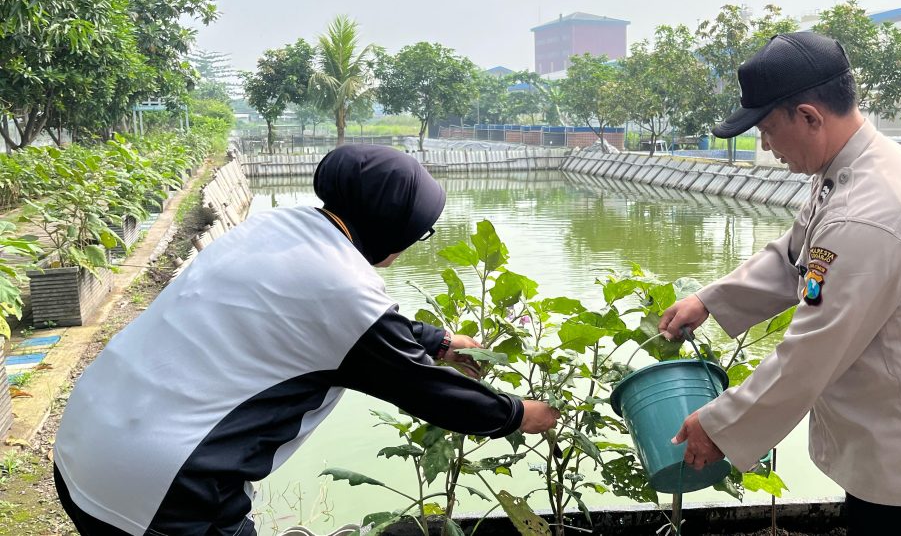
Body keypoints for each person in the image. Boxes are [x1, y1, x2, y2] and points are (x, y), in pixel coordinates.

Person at [53, 145, 560, 535]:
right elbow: (427, 390)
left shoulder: (278, 227)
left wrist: (439, 340)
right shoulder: (344, 289)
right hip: (160, 489)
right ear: (392, 229)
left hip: (87, 441)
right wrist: (521, 414)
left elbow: (352, 329)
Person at [660, 33, 901, 535]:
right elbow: (798, 256)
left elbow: (811, 352)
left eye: (768, 131)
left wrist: (720, 424)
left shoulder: (869, 212)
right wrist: (711, 300)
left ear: (810, 116)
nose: (767, 147)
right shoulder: (851, 168)